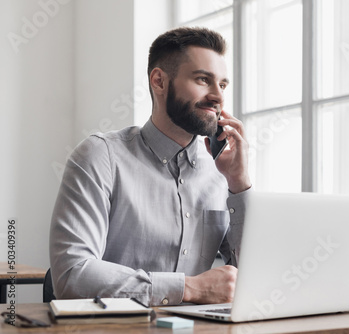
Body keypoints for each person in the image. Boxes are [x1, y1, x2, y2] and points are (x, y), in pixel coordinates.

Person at [49, 27, 251, 306]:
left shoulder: (223, 173)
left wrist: (239, 185)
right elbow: (71, 275)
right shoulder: (100, 157)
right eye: (203, 80)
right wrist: (188, 288)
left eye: (223, 85)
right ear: (159, 81)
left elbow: (256, 277)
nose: (218, 96)